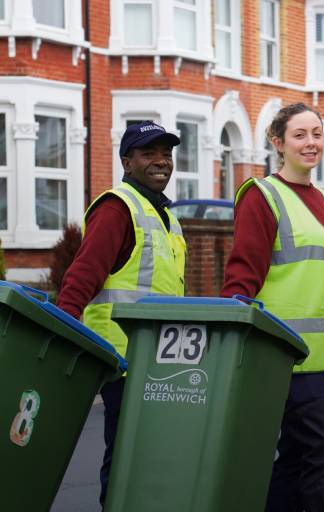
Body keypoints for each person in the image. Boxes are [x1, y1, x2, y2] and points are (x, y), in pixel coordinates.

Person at [220, 103, 324, 512]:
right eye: (300, 135)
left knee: (298, 459)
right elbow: (242, 274)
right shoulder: (263, 196)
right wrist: (232, 342)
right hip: (290, 356)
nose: (311, 143)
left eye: (317, 134)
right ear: (277, 142)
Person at [57, 121, 185, 507]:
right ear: (127, 162)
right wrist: (63, 332)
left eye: (167, 154)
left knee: (149, 459)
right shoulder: (118, 208)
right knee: (128, 459)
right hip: (125, 362)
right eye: (150, 153)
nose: (162, 161)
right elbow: (82, 275)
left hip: (161, 362)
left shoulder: (166, 216)